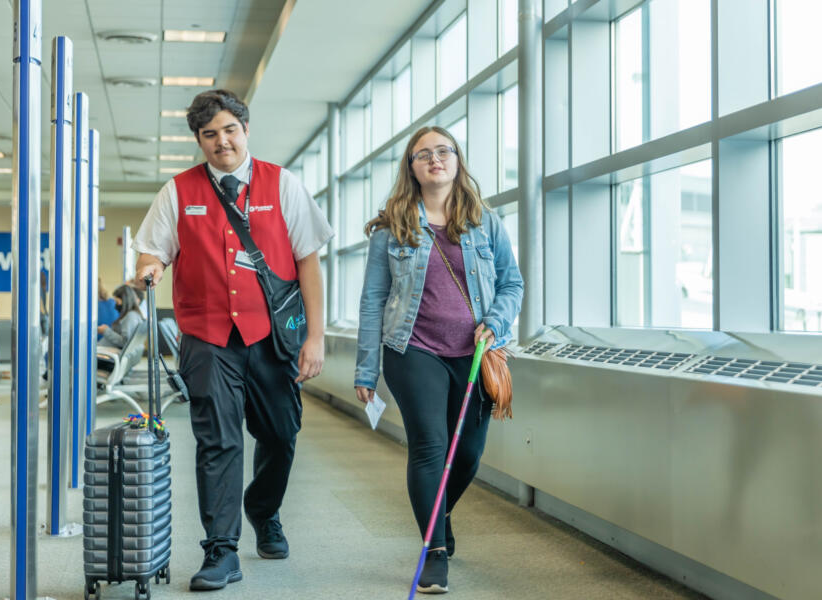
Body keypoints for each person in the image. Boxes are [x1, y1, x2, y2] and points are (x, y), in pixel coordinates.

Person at [133, 89, 333, 592]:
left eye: (229, 130)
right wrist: (150, 267)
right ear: (199, 140)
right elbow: (151, 251)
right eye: (209, 134)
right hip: (207, 337)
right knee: (217, 442)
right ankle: (221, 550)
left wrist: (315, 337)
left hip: (271, 338)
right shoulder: (177, 191)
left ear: (245, 130)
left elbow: (308, 260)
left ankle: (264, 511)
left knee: (281, 434)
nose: (221, 141)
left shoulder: (281, 183)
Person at [354, 126, 524, 594]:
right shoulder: (391, 229)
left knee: (467, 452)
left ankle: (438, 515)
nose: (435, 159)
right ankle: (434, 551)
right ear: (411, 167)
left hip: (475, 352)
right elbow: (373, 301)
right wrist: (366, 369)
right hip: (412, 350)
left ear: (457, 160)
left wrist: (496, 318)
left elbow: (513, 284)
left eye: (443, 151)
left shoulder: (485, 222)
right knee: (430, 446)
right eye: (423, 154)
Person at [96, 284, 144, 349]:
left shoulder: (131, 316)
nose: (115, 305)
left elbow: (125, 342)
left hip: (106, 353)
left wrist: (105, 331)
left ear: (125, 301)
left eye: (117, 302)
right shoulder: (131, 314)